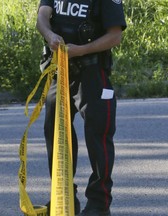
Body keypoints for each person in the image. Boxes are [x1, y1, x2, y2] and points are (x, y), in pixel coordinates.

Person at [36, 0, 126, 215]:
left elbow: (115, 36)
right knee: (56, 134)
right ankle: (64, 197)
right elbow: (42, 17)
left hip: (92, 72)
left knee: (99, 135)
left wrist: (82, 50)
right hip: (60, 71)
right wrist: (49, 36)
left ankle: (98, 203)